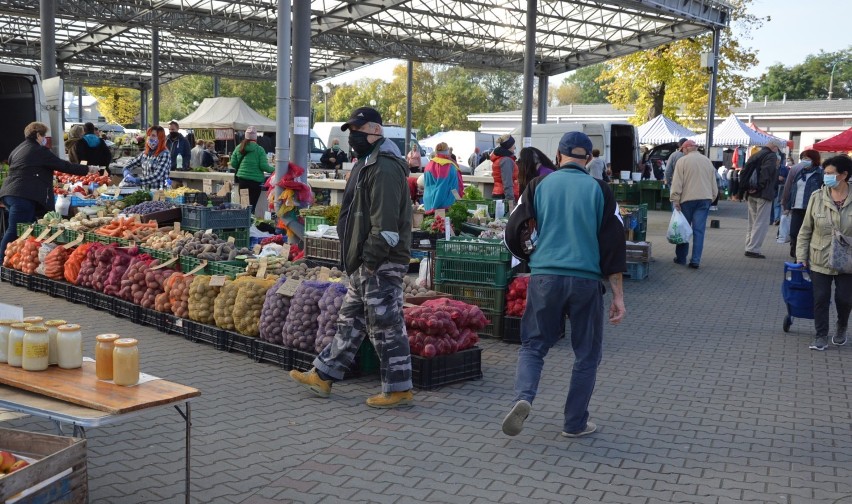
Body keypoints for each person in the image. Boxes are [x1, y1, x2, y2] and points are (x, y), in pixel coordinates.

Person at [501, 131, 626, 438]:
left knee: (533, 346)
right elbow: (613, 245)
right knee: (586, 355)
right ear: (589, 159)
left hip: (545, 277)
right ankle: (574, 423)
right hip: (586, 281)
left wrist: (529, 258)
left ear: (558, 157)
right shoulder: (601, 190)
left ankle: (523, 398)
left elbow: (512, 230)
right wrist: (618, 296)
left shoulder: (538, 185)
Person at [290, 106, 414, 408]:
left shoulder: (384, 167)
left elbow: (385, 227)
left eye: (358, 131)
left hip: (379, 262)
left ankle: (399, 389)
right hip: (365, 261)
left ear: (376, 132)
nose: (353, 137)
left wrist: (370, 262)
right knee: (350, 322)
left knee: (385, 325)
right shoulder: (367, 163)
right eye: (351, 132)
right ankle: (323, 374)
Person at [0, 122, 98, 257]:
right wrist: (87, 169)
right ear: (38, 135)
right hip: (23, 195)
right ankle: (1, 263)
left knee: (26, 229)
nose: (45, 139)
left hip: (9, 193)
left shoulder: (18, 149)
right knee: (14, 230)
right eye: (44, 135)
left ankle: (15, 259)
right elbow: (63, 165)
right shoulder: (39, 151)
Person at [796, 155, 852, 351]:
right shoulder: (817, 197)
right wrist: (801, 256)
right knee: (820, 297)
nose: (825, 177)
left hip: (847, 259)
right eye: (825, 173)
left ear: (844, 175)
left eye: (830, 174)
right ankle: (821, 335)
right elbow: (805, 229)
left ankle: (842, 325)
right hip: (820, 256)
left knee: (845, 298)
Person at [669, 140, 718, 269]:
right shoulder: (707, 161)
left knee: (684, 228)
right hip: (705, 199)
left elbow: (677, 183)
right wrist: (712, 197)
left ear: (686, 149)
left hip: (687, 199)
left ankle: (681, 258)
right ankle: (695, 260)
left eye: (682, 150)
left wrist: (675, 199)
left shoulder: (682, 161)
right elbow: (714, 181)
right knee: (699, 231)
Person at [742, 142, 781, 258]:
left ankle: (748, 245)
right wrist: (759, 186)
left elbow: (745, 172)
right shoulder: (771, 156)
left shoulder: (755, 155)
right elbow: (766, 172)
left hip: (750, 193)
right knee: (761, 222)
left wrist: (749, 188)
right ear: (774, 148)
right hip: (763, 193)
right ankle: (753, 249)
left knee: (752, 222)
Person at [782, 149, 823, 258]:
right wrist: (787, 205)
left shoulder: (820, 174)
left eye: (807, 159)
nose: (804, 161)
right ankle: (796, 253)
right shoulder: (799, 173)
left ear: (814, 160)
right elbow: (791, 189)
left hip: (812, 209)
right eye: (803, 158)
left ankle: (803, 258)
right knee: (794, 233)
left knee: (807, 234)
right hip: (797, 208)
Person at [229, 126, 274, 211]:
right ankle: (251, 222)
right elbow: (264, 166)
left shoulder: (239, 147)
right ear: (255, 138)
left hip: (242, 180)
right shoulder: (259, 149)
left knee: (244, 205)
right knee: (252, 205)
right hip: (255, 182)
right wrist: (275, 170)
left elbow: (233, 163)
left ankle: (243, 222)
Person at [422, 142, 463, 211]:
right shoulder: (448, 166)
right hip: (444, 204)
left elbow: (427, 185)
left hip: (428, 203)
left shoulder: (429, 165)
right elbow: (452, 187)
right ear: (447, 151)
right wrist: (459, 201)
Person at [491, 134, 519, 205]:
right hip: (504, 196)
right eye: (513, 145)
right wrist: (511, 202)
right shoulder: (506, 160)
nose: (515, 147)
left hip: (499, 194)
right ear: (509, 146)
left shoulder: (500, 158)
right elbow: (507, 182)